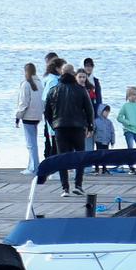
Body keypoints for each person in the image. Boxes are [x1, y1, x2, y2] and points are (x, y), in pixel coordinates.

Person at [45, 66, 92, 194]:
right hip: (77, 126)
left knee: (62, 157)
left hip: (60, 127)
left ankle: (65, 188)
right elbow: (89, 109)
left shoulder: (53, 90)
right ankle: (78, 185)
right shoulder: (81, 90)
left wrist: (53, 124)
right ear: (73, 74)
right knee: (80, 155)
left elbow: (47, 111)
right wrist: (90, 126)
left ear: (61, 73)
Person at [16, 62, 45, 168]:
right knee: (34, 141)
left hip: (28, 116)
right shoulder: (39, 83)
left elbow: (23, 103)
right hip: (37, 116)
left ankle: (34, 167)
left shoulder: (26, 85)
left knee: (30, 143)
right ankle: (31, 165)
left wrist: (18, 116)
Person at [117, 85, 136, 169]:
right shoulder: (125, 106)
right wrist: (128, 122)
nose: (135, 97)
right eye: (133, 95)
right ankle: (131, 166)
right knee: (130, 149)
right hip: (129, 130)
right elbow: (119, 117)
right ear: (129, 95)